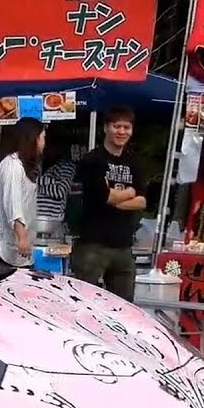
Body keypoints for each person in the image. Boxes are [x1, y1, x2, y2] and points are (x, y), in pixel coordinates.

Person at [69, 105, 145, 301]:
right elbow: (103, 197)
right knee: (84, 302)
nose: (121, 132)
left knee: (124, 306)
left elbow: (142, 201)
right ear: (106, 128)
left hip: (123, 246)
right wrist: (129, 192)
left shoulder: (134, 162)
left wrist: (113, 197)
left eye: (126, 127)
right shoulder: (92, 160)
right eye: (116, 126)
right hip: (92, 244)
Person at [0, 117, 45, 267]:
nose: (44, 144)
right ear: (33, 139)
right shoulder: (12, 166)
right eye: (42, 138)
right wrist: (22, 237)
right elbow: (13, 205)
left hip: (15, 250)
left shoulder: (23, 166)